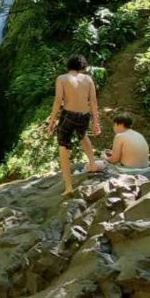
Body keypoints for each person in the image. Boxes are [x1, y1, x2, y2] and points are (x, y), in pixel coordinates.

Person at [47, 54, 101, 196]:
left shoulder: (62, 79)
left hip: (69, 115)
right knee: (82, 135)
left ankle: (69, 186)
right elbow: (94, 103)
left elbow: (58, 101)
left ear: (68, 65)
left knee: (63, 146)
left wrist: (51, 120)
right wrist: (96, 123)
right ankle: (93, 164)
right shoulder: (88, 79)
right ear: (82, 67)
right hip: (84, 115)